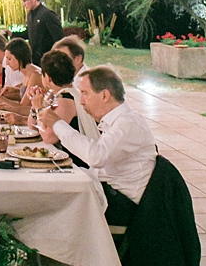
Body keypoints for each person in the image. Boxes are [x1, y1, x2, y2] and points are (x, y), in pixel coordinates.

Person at [38, 66, 157, 225]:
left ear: (105, 95)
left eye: (85, 94)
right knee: (49, 190)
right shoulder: (118, 120)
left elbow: (97, 156)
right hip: (109, 192)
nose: (81, 101)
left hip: (122, 204)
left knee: (48, 213)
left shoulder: (129, 123)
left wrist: (58, 124)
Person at [28, 50, 99, 142]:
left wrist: (39, 108)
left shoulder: (66, 100)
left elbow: (48, 137)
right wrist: (35, 105)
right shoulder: (56, 95)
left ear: (48, 77)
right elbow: (32, 127)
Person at [20, 0, 64, 65]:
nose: (23, 5)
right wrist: (12, 34)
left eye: (24, 1)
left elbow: (59, 38)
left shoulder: (47, 14)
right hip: (34, 59)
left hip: (48, 60)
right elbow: (30, 33)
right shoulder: (30, 15)